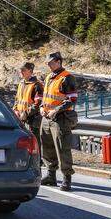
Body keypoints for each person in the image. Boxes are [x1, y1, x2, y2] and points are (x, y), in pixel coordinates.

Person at [40, 52, 78, 191]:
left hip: (60, 119)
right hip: (46, 117)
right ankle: (51, 175)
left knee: (63, 149)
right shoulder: (49, 77)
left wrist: (55, 110)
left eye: (50, 62)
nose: (48, 65)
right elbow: (45, 97)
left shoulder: (67, 78)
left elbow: (72, 100)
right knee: (47, 147)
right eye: (48, 63)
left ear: (58, 61)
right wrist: (41, 108)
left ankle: (67, 179)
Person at [13, 62, 44, 154]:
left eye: (24, 70)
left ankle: (37, 161)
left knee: (35, 142)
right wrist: (15, 110)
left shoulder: (37, 85)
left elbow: (38, 104)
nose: (21, 72)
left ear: (30, 71)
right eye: (21, 70)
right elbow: (17, 99)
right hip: (21, 119)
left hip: (33, 120)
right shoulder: (21, 83)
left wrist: (25, 113)